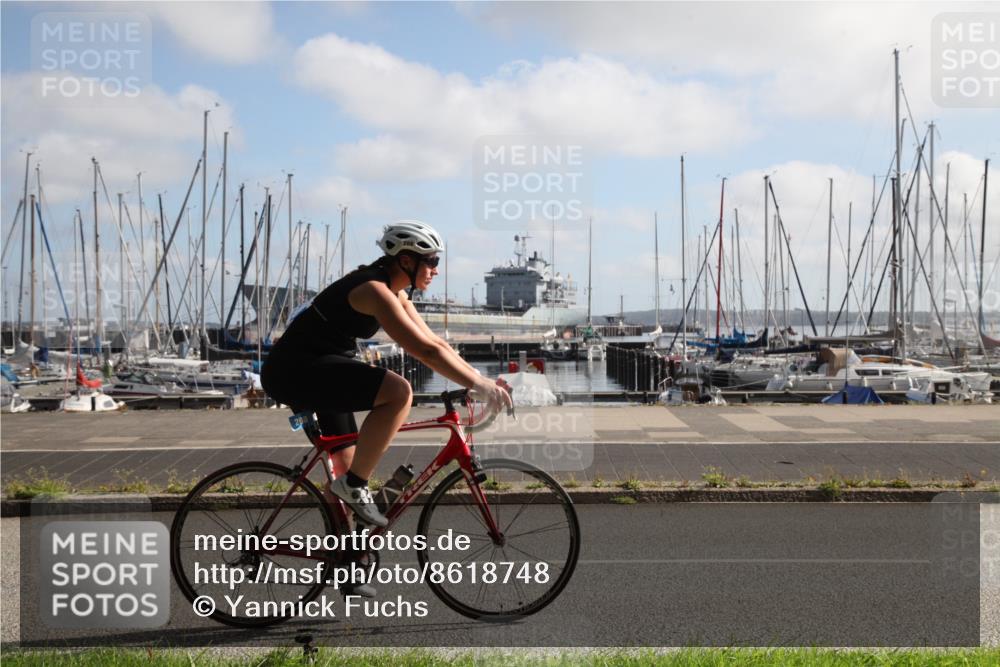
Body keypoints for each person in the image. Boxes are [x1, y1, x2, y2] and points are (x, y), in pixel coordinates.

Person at [261, 220, 511, 528]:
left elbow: (437, 343)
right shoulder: (374, 290)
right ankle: (354, 487)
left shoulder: (396, 293)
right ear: (406, 260)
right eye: (432, 261)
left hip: (320, 367)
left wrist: (481, 379)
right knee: (398, 393)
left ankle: (344, 547)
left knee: (347, 468)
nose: (436, 270)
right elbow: (426, 353)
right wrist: (480, 385)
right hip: (294, 370)